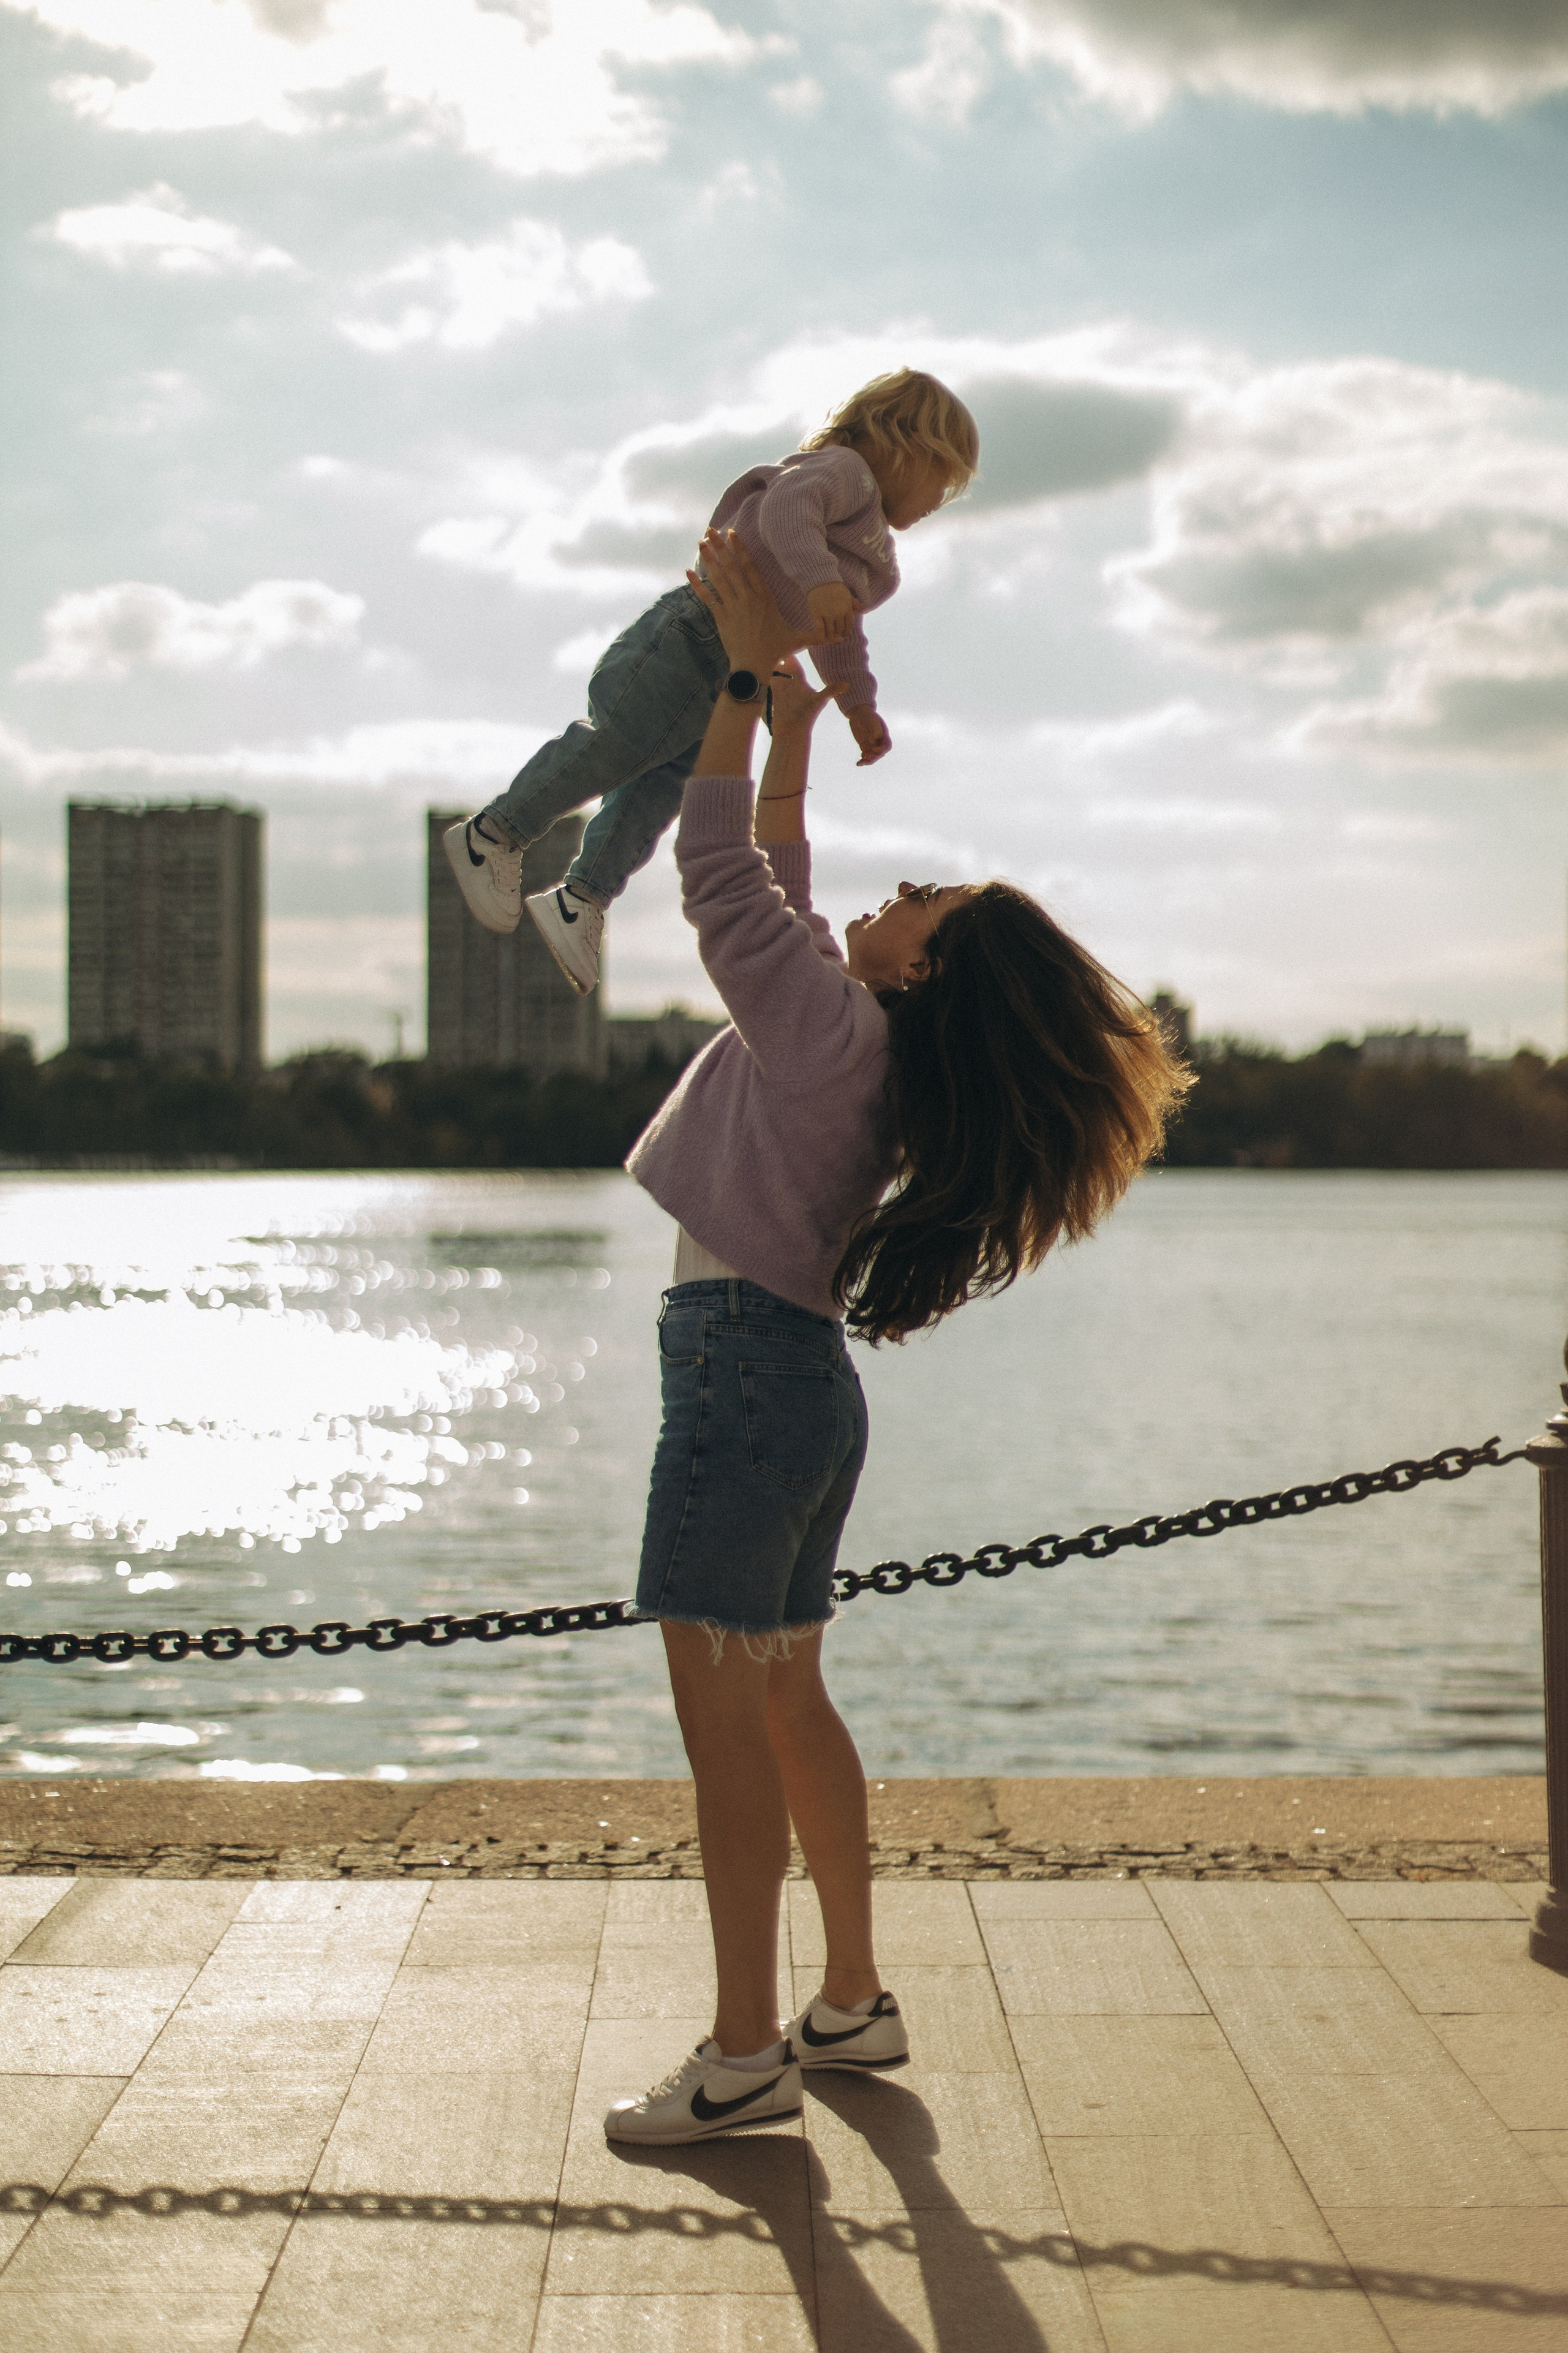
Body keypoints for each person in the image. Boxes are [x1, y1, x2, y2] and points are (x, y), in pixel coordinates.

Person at [603, 529, 1191, 2145]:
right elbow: (780, 880)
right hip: (794, 1386)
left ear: (925, 966)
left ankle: (742, 2055)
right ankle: (848, 2004)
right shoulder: (856, 1038)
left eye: (920, 898)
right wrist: (790, 737)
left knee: (730, 1730)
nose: (894, 891)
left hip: (737, 1376)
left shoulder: (832, 1026)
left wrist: (732, 668)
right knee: (787, 1699)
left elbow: (720, 880)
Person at [443, 367, 979, 996]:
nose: (939, 500)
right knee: (616, 745)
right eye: (941, 481)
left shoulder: (868, 545)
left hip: (732, 672)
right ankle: (497, 832)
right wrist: (818, 579)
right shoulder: (844, 474)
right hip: (695, 637)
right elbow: (784, 510)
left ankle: (582, 899)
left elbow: (840, 630)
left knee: (659, 790)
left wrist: (857, 704)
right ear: (905, 448)